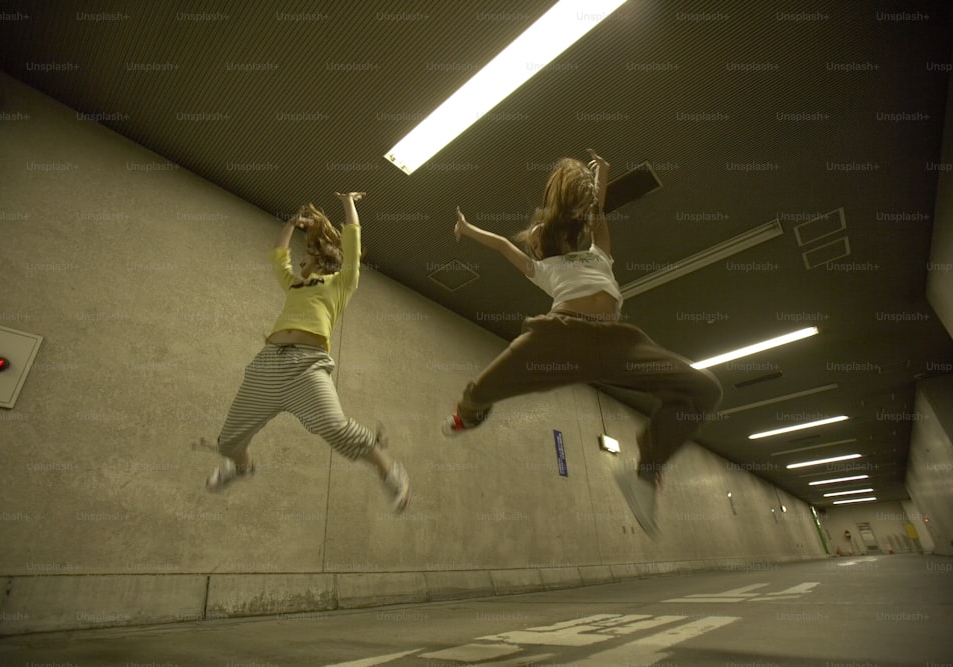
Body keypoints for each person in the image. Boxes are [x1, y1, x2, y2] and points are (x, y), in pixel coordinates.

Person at [443, 151, 722, 535]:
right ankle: (469, 414)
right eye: (537, 243)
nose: (539, 246)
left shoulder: (600, 254)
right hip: (559, 336)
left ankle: (646, 472)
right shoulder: (542, 269)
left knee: (705, 388)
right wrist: (468, 229)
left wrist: (601, 175)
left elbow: (596, 213)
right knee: (481, 389)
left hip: (619, 346)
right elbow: (504, 246)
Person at [201, 192, 411, 513]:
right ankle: (242, 467)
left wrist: (347, 203)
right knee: (228, 441)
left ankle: (388, 471)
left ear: (325, 259)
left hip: (307, 368)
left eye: (308, 255)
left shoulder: (341, 283)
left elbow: (353, 244)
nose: (301, 261)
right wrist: (290, 224)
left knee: (334, 426)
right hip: (267, 365)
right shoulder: (295, 286)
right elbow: (278, 256)